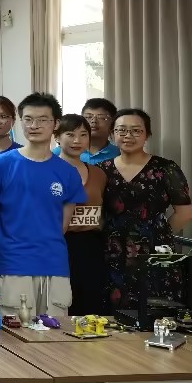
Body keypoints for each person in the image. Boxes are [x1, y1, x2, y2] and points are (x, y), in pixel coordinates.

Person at [0, 92, 87, 321]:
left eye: (42, 120)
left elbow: (62, 225)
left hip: (55, 265)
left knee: (55, 335)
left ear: (56, 124)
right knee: (14, 334)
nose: (34, 125)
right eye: (28, 119)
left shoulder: (68, 172)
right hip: (13, 264)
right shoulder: (1, 166)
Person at [101, 108, 192, 309]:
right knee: (111, 312)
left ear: (147, 135)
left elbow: (185, 213)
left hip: (154, 251)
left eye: (136, 130)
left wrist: (157, 234)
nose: (128, 135)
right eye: (121, 130)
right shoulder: (102, 170)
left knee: (156, 310)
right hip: (111, 251)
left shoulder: (165, 168)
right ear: (112, 134)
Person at [56, 115, 109, 315]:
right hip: (59, 243)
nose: (77, 140)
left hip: (90, 245)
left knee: (90, 303)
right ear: (57, 137)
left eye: (83, 135)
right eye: (70, 134)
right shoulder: (48, 170)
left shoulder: (99, 173)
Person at [79, 98, 122, 165]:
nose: (93, 121)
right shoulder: (65, 151)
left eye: (101, 118)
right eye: (88, 117)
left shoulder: (120, 154)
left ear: (113, 123)